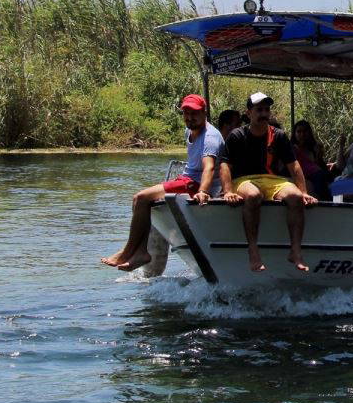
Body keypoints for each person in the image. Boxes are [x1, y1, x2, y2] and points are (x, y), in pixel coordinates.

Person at [101, 94, 223, 271]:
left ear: (204, 113)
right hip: (186, 179)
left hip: (194, 184)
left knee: (141, 197)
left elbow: (209, 168)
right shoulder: (189, 131)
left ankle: (128, 252)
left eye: (194, 113)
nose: (189, 117)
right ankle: (141, 251)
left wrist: (203, 191)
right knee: (141, 200)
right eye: (186, 113)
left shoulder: (210, 137)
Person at [219, 92, 316, 273]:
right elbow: (225, 165)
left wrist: (303, 192)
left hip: (273, 180)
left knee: (295, 197)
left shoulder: (278, 135)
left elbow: (294, 166)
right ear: (249, 113)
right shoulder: (237, 135)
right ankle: (253, 250)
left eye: (266, 109)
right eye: (259, 110)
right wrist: (227, 191)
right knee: (254, 195)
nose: (263, 113)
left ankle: (295, 251)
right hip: (244, 180)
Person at [292, 120, 331, 197]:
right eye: (299, 132)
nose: (302, 134)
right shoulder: (292, 149)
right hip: (303, 175)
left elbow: (318, 165)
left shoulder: (313, 148)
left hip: (317, 175)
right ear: (295, 134)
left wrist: (318, 155)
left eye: (305, 131)